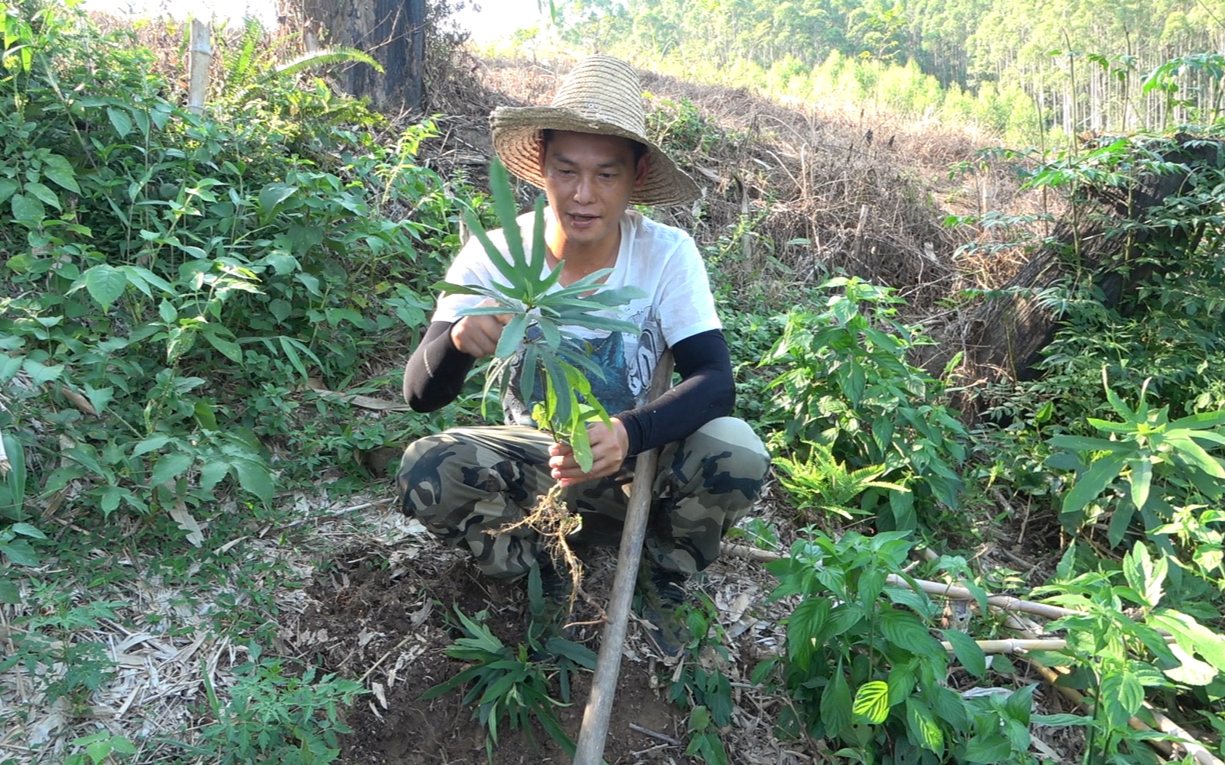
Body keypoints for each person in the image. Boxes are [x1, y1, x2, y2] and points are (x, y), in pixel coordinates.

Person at [396, 55, 769, 654]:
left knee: (738, 449)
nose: (583, 194)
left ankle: (663, 572)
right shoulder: (496, 254)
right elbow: (420, 393)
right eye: (566, 170)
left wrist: (628, 431)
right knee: (426, 464)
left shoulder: (665, 255)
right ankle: (531, 565)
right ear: (540, 164)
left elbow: (716, 380)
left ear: (637, 174)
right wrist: (461, 341)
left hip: (639, 461)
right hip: (540, 460)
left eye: (606, 175)